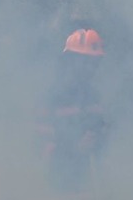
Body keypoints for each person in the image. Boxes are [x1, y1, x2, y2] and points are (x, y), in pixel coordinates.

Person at [45, 26, 108, 189]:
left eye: (95, 63)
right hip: (58, 188)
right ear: (71, 61)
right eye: (86, 62)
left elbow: (104, 134)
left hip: (91, 186)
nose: (91, 69)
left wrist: (98, 140)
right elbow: (40, 148)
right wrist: (75, 149)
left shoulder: (94, 96)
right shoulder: (52, 98)